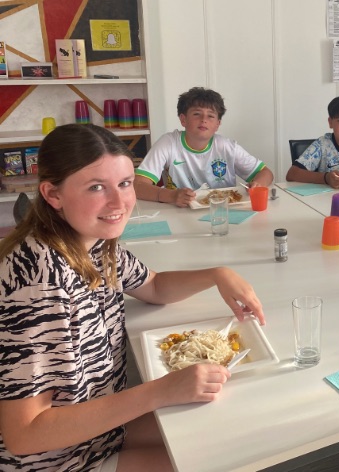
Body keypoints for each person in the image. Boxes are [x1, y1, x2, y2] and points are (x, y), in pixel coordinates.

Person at [0, 124, 266, 472]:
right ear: (53, 194)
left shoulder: (91, 241)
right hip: (57, 459)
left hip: (98, 431)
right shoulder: (38, 282)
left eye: (125, 183)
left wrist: (217, 274)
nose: (119, 202)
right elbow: (25, 434)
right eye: (96, 187)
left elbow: (153, 286)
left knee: (227, 435)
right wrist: (162, 391)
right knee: (219, 460)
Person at [134, 87, 274, 207]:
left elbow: (266, 173)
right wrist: (172, 196)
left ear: (217, 124)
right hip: (180, 212)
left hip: (224, 212)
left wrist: (258, 184)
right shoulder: (168, 143)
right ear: (183, 119)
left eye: (211, 116)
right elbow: (137, 186)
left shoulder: (227, 147)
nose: (204, 120)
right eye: (197, 114)